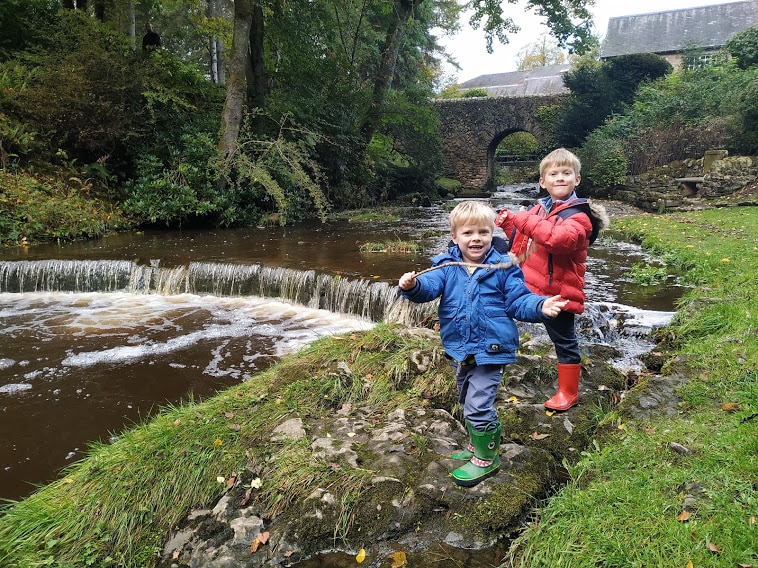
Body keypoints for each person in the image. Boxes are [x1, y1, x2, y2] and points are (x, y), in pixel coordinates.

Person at [399, 200, 568, 487]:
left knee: (478, 404)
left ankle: (487, 458)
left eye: (483, 232)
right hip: (459, 347)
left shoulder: (504, 268)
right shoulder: (446, 266)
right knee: (467, 399)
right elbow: (428, 289)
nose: (476, 239)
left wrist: (540, 305)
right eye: (468, 233)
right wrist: (413, 286)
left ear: (492, 234)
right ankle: (479, 443)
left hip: (491, 350)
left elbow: (519, 300)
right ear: (455, 237)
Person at [495, 148, 609, 412]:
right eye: (553, 173)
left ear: (576, 180)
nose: (560, 178)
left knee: (564, 342)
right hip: (531, 286)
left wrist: (522, 218)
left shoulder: (580, 216)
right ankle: (491, 362)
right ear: (542, 182)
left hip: (559, 292)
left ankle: (569, 392)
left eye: (566, 173)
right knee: (497, 310)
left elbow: (557, 241)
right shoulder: (540, 208)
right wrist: (510, 223)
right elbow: (524, 240)